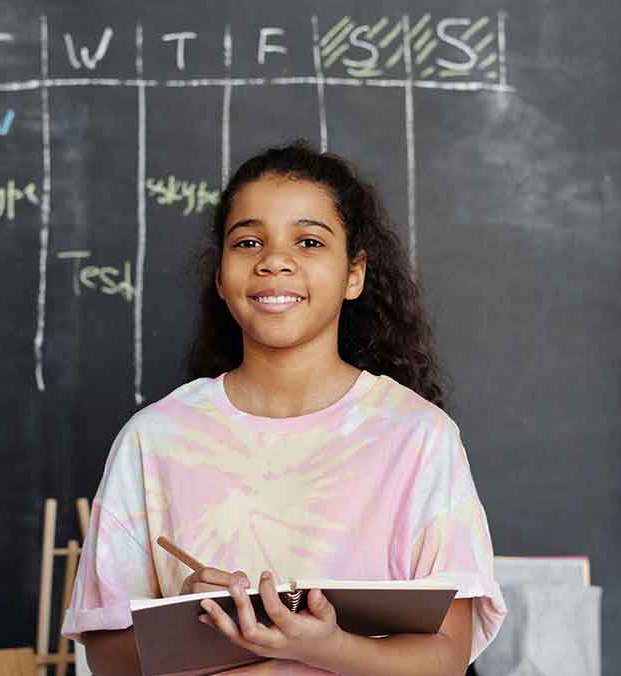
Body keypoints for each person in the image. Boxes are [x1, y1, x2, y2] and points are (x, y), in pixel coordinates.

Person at [62, 141, 506, 675]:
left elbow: (447, 656)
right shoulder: (153, 439)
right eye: (248, 241)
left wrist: (322, 646)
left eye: (310, 241)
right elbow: (105, 655)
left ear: (354, 274)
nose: (274, 260)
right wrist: (190, 622)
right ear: (222, 277)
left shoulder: (419, 437)